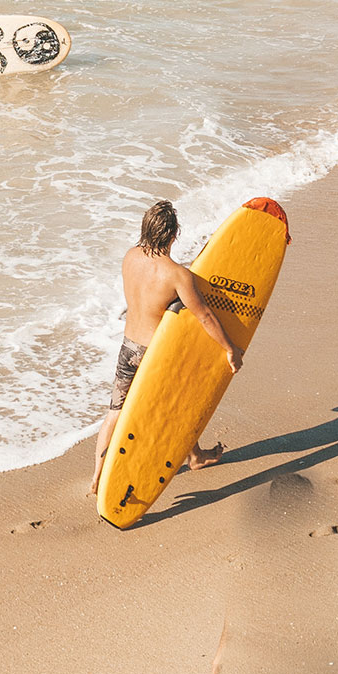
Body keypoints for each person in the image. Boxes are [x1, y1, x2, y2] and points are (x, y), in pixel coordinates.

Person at [91, 200, 243, 495]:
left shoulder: (130, 257)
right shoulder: (176, 275)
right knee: (182, 406)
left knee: (115, 413)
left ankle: (98, 475)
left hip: (128, 348)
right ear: (174, 235)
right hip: (156, 355)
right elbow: (205, 315)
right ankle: (195, 456)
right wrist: (230, 348)